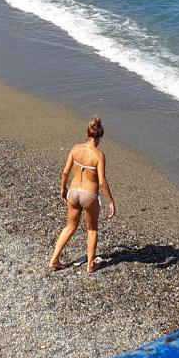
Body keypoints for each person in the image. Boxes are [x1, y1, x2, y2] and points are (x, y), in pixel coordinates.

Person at [49, 116, 117, 274]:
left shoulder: (75, 148)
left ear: (87, 134)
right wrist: (111, 201)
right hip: (88, 195)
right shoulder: (99, 155)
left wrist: (63, 188)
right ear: (99, 137)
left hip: (73, 192)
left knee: (70, 227)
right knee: (92, 230)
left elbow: (65, 172)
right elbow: (101, 182)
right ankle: (90, 265)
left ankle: (54, 260)